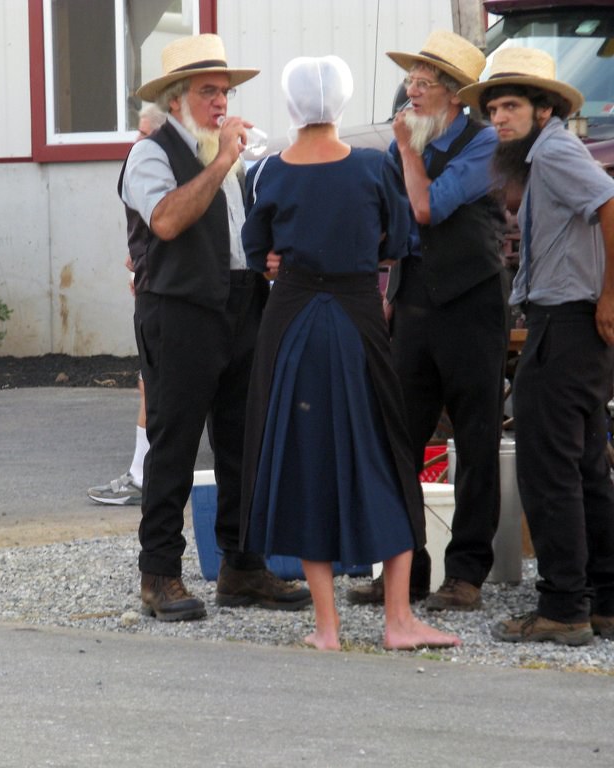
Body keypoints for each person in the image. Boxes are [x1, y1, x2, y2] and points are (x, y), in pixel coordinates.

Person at [239, 55, 459, 651]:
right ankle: (397, 621)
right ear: (341, 102)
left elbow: (257, 246)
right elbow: (398, 238)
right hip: (359, 318)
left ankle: (327, 628)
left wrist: (283, 260)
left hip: (292, 326)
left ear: (290, 105)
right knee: (386, 454)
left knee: (305, 459)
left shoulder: (266, 172)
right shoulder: (371, 168)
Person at [120, 34, 311, 621]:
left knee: (243, 439)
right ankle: (159, 575)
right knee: (174, 441)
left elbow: (230, 239)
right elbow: (168, 221)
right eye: (208, 92)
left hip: (238, 300)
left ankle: (243, 565)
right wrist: (225, 159)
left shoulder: (220, 153)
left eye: (224, 92)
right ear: (177, 99)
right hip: (179, 310)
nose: (221, 102)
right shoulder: (151, 154)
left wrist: (265, 258)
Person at [347, 30, 508, 611]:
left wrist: (407, 152)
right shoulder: (404, 143)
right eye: (410, 80)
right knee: (401, 439)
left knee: (476, 437)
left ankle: (466, 575)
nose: (410, 92)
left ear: (455, 94)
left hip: (472, 302)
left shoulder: (484, 143)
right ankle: (405, 572)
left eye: (424, 82)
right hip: (415, 301)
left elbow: (427, 207)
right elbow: (394, 223)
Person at [460, 48, 614, 645]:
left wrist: (608, 297)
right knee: (583, 469)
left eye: (511, 106)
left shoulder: (555, 150)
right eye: (494, 107)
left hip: (569, 323)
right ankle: (600, 599)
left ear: (543, 108)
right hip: (568, 323)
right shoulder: (542, 155)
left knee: (549, 470)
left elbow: (608, 204)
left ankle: (563, 608)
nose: (498, 117)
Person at [87, 102, 166, 506]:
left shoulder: (156, 168)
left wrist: (145, 265)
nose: (136, 141)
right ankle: (141, 473)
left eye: (143, 133)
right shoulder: (152, 170)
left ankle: (144, 477)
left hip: (166, 300)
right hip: (155, 287)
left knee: (154, 388)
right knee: (148, 386)